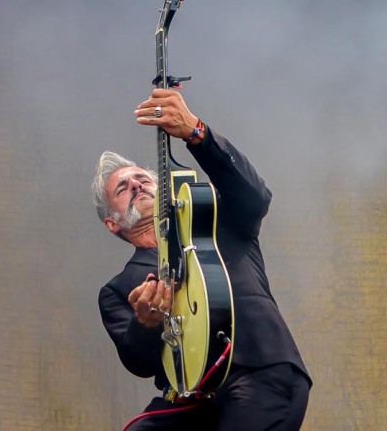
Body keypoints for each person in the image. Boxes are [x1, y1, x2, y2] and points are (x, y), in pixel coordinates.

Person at [92, 88, 312, 430]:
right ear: (112, 223)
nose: (136, 186)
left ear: (161, 187)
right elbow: (138, 361)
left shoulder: (217, 221)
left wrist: (197, 133)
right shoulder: (117, 290)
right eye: (122, 188)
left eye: (143, 179)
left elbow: (255, 197)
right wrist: (145, 324)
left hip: (258, 371)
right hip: (188, 398)